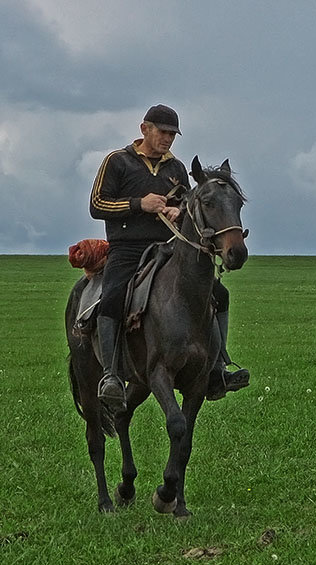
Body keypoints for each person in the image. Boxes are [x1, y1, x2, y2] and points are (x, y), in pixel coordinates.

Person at [88, 104, 250, 412]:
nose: (168, 139)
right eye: (163, 132)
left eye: (172, 134)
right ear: (144, 129)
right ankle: (111, 376)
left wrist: (178, 209)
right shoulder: (117, 161)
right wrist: (140, 204)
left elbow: (189, 204)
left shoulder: (175, 168)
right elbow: (97, 205)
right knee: (112, 297)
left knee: (219, 293)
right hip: (126, 248)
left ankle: (218, 367)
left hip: (167, 246)